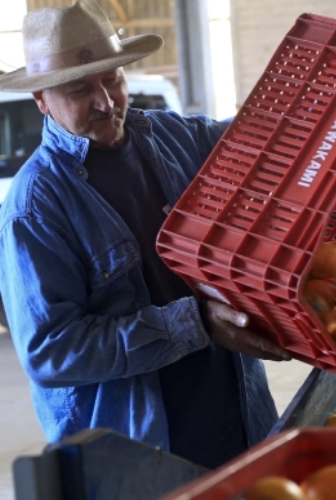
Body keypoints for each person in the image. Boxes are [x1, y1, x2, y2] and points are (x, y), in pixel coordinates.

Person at [0, 0, 291, 470]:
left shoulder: (176, 138)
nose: (106, 102)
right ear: (42, 100)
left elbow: (261, 144)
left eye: (112, 79)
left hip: (240, 415)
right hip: (139, 452)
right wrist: (192, 324)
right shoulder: (37, 206)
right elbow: (52, 351)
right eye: (79, 90)